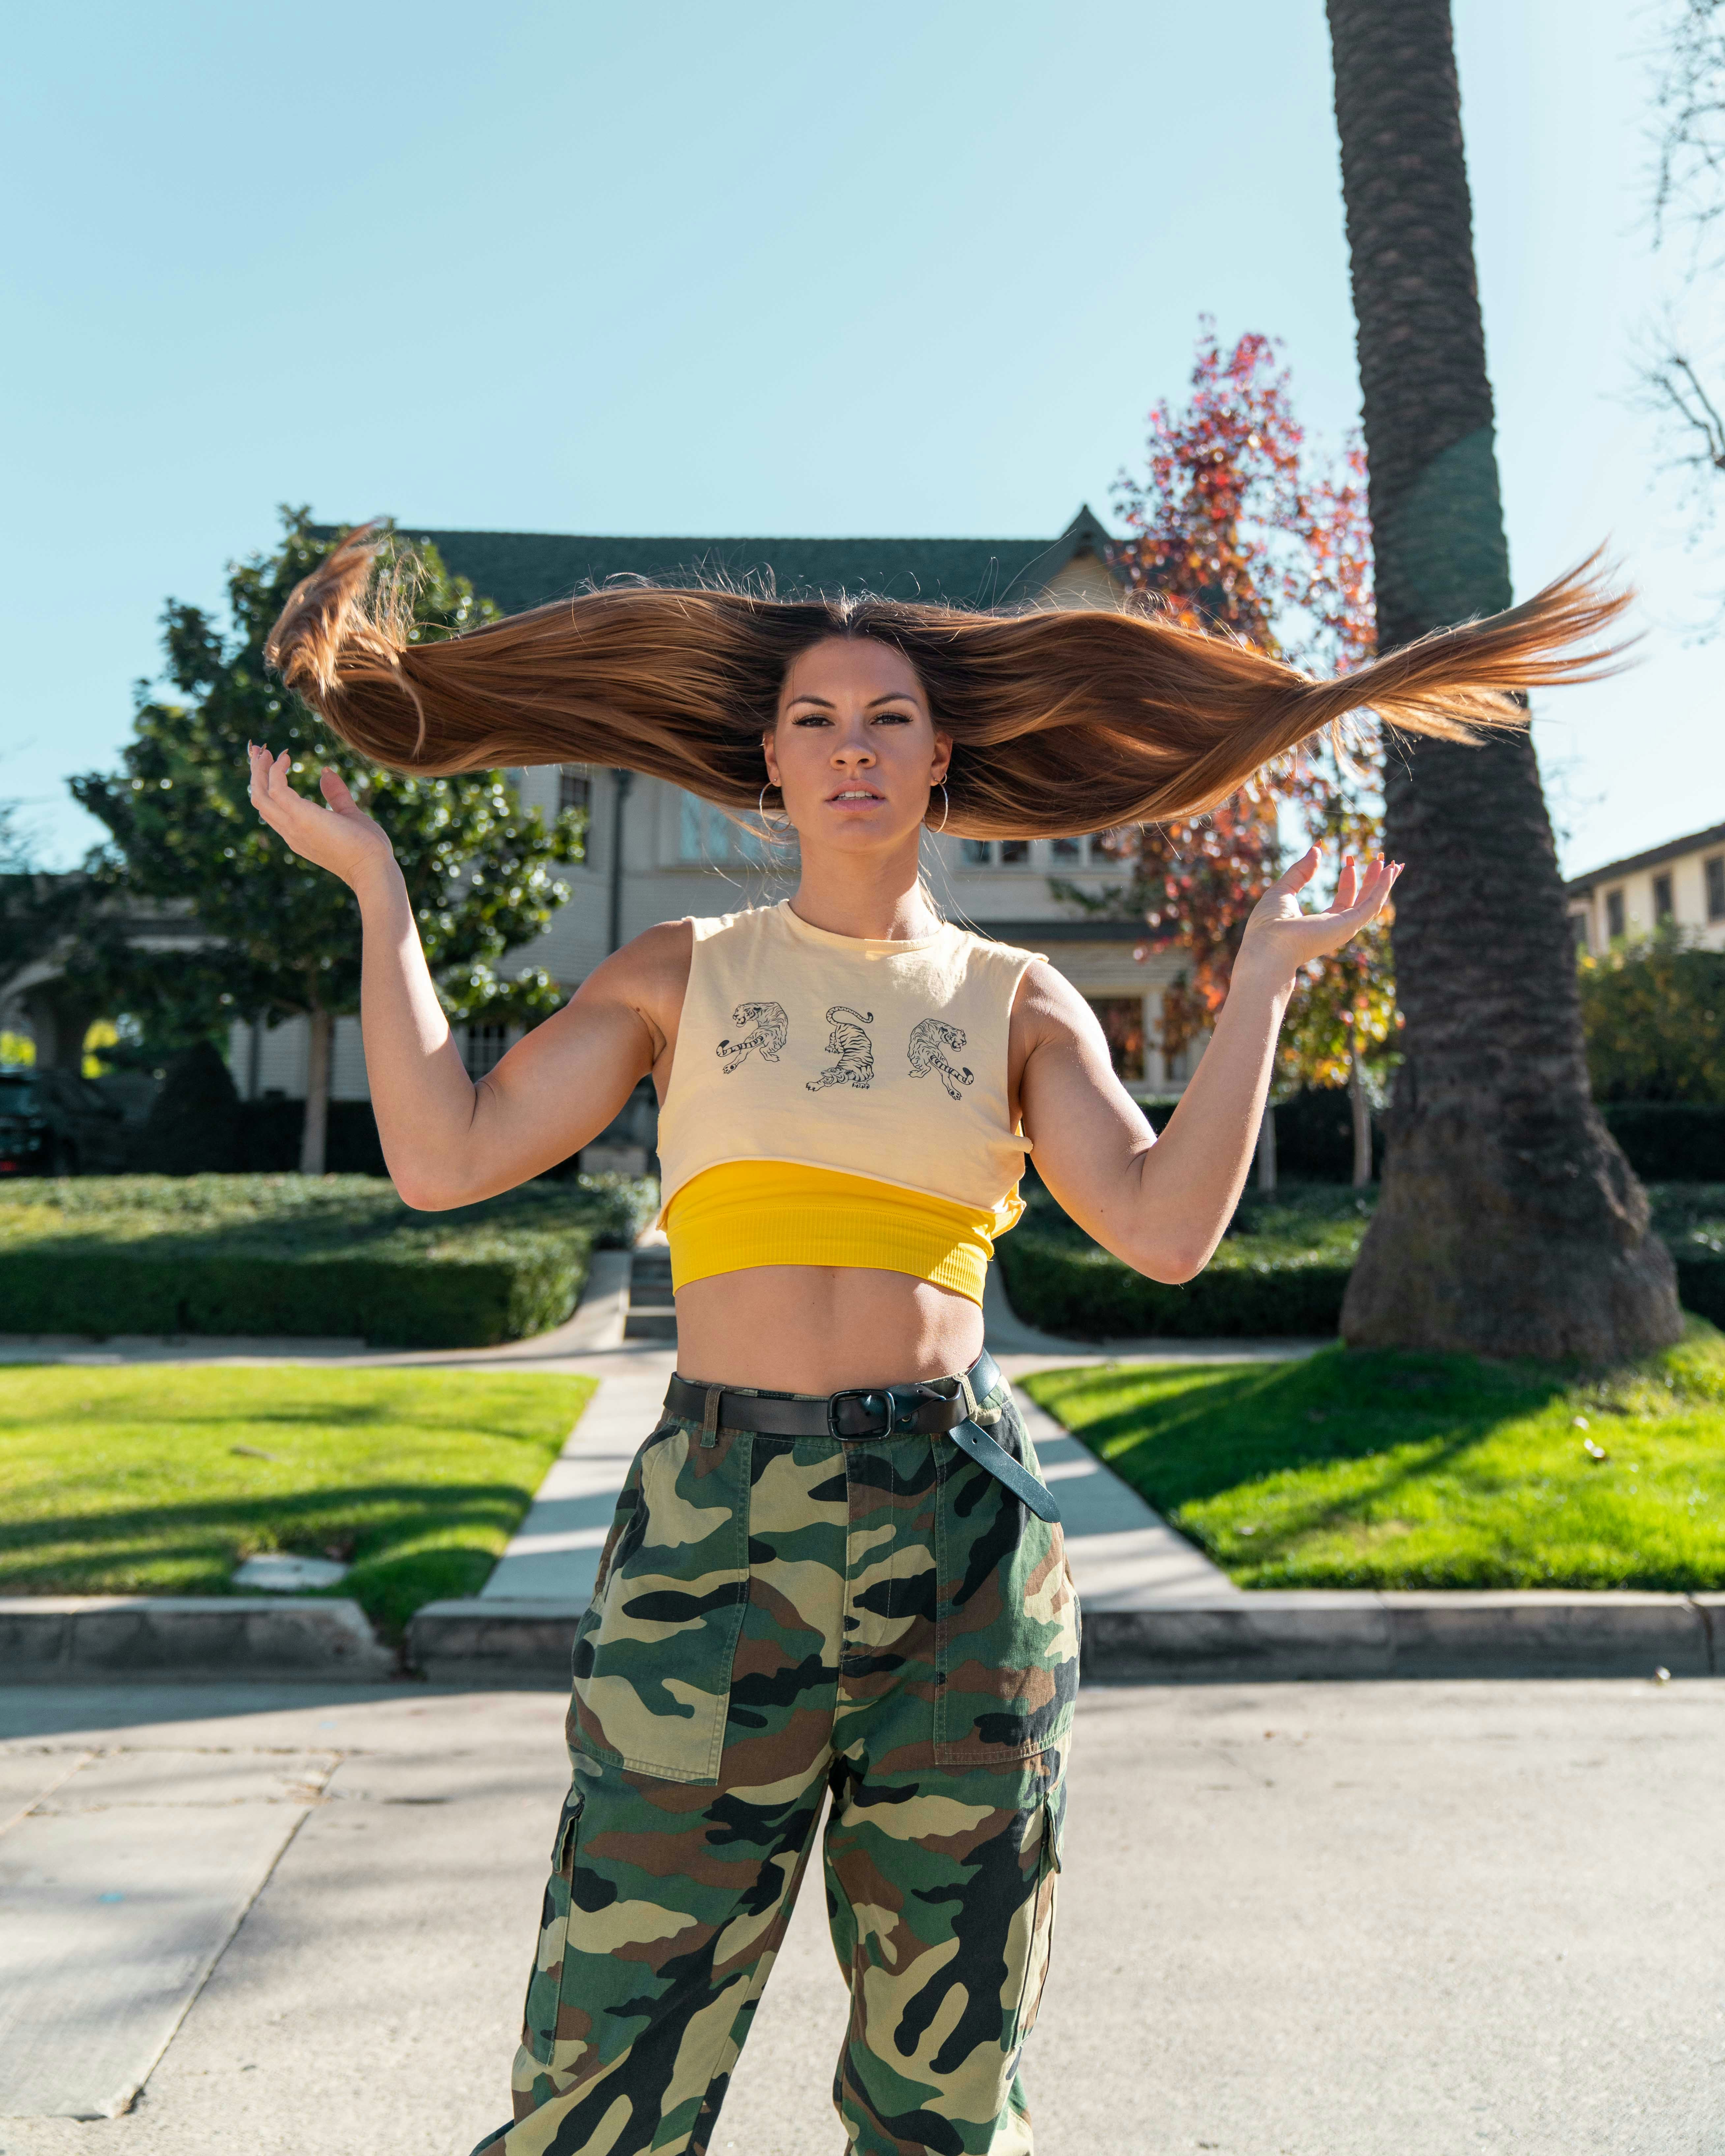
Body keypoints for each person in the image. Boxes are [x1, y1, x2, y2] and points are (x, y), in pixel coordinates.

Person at [252, 530, 1625, 2156]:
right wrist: (380, 896)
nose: (852, 745)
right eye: (818, 718)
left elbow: (1165, 1230)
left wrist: (1256, 987)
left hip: (961, 1545)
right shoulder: (676, 971)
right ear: (764, 761)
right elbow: (446, 1155)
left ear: (941, 754)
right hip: (718, 1533)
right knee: (598, 2091)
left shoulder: (1023, 996)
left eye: (888, 716)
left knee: (946, 2100)